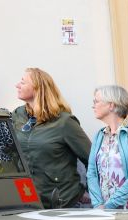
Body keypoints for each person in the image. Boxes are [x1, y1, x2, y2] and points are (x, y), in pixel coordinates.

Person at [11, 68, 91, 209]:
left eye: (23, 82)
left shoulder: (64, 122)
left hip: (61, 202)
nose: (17, 85)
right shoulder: (17, 116)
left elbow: (92, 160)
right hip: (27, 199)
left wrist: (89, 191)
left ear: (38, 87)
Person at [86, 85, 128, 211]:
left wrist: (109, 205)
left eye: (96, 101)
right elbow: (91, 173)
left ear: (111, 105)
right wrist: (98, 204)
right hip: (105, 212)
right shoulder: (100, 135)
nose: (93, 106)